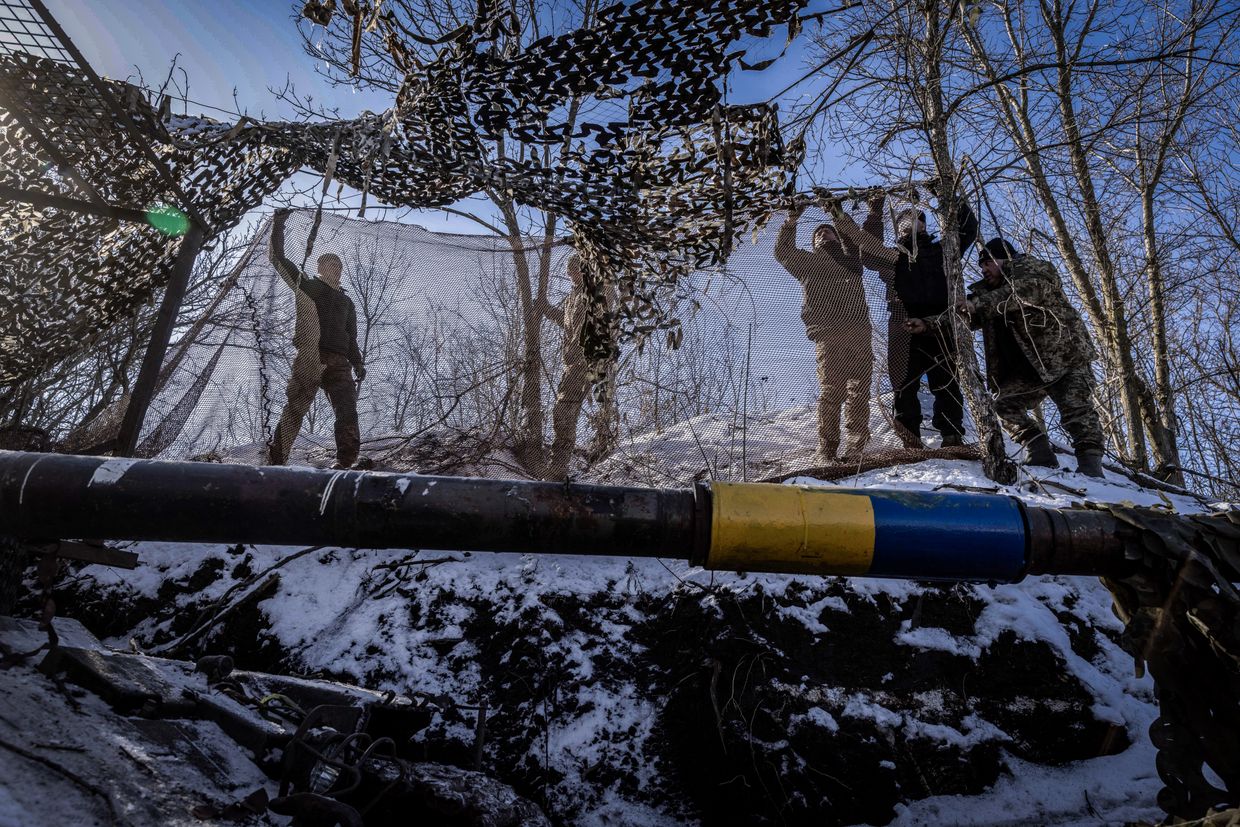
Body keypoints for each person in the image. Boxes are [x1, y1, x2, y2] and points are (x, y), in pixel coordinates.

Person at [907, 238, 1105, 477]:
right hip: (1029, 370)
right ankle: (1039, 451)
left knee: (1077, 411)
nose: (984, 269)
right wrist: (928, 325)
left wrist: (977, 303)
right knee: (1003, 403)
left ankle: (1091, 467)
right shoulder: (987, 293)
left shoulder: (1033, 270)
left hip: (1064, 358)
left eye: (988, 262)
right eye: (981, 265)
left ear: (1006, 259)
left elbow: (1024, 292)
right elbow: (963, 319)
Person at [832, 191, 978, 449]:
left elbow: (968, 230)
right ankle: (910, 439)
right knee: (903, 383)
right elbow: (866, 247)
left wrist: (951, 196)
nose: (910, 222)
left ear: (924, 225)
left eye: (917, 218)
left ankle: (952, 436)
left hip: (940, 324)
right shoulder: (892, 256)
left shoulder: (941, 250)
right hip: (902, 324)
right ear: (897, 228)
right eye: (902, 220)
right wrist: (874, 213)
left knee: (946, 380)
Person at [267, 208, 366, 469]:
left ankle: (347, 462)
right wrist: (279, 225)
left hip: (340, 361)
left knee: (347, 410)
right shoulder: (310, 286)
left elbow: (351, 336)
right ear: (319, 267)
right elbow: (278, 258)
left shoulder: (347, 302)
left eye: (338, 265)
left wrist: (357, 363)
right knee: (296, 407)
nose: (335, 268)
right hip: (311, 355)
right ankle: (277, 458)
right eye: (329, 263)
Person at [774, 202, 873, 460]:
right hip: (829, 333)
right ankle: (827, 449)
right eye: (817, 234)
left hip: (859, 332)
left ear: (836, 237)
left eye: (827, 231)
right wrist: (791, 221)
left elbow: (852, 234)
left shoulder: (851, 260)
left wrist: (836, 212)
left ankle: (855, 448)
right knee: (831, 391)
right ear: (813, 243)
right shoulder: (807, 263)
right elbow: (783, 251)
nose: (822, 234)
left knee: (859, 390)